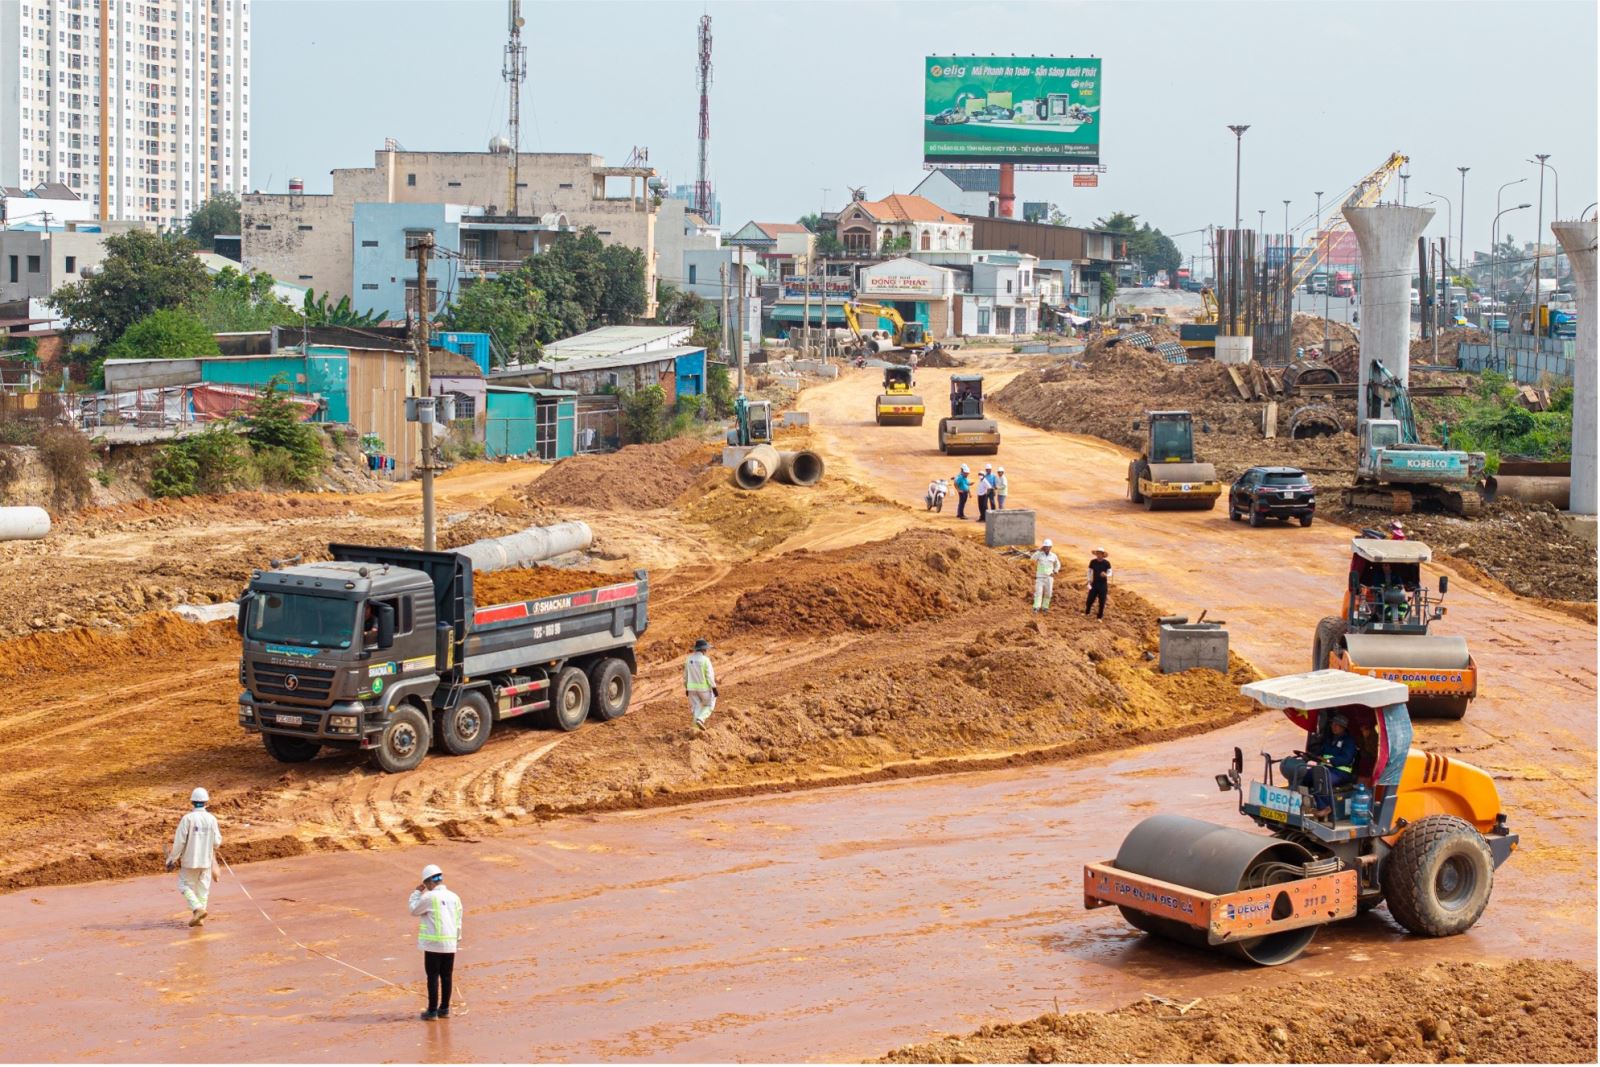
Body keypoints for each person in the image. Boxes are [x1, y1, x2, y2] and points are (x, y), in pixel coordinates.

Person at [409, 864, 464, 1021]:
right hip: (450, 944)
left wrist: (416, 893)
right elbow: (459, 919)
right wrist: (456, 939)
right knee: (447, 976)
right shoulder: (454, 897)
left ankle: (432, 1011)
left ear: (429, 882)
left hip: (433, 944)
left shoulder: (429, 897)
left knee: (432, 977)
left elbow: (414, 910)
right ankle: (444, 1009)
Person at [1281, 714, 1359, 818]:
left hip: (1341, 773)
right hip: (1327, 769)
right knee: (1306, 775)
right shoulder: (1330, 739)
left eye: (1336, 725)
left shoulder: (1348, 741)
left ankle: (1325, 807)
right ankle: (1303, 803)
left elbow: (1346, 759)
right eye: (1333, 724)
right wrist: (1309, 756)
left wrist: (1329, 760)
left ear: (1343, 727)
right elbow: (1320, 753)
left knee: (1321, 778)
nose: (1333, 727)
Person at [166, 786, 222, 927]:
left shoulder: (187, 819)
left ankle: (197, 909)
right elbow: (217, 842)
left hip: (189, 861)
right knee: (203, 890)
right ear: (206, 802)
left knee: (184, 885)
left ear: (192, 802)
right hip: (206, 862)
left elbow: (179, 842)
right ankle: (200, 919)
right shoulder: (212, 819)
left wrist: (172, 859)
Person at [685, 638, 718, 730]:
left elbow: (685, 676)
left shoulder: (688, 659)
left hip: (691, 689)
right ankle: (701, 719)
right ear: (704, 649)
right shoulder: (705, 660)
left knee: (696, 707)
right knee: (710, 704)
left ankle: (695, 730)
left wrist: (686, 688)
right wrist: (714, 688)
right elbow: (709, 676)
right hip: (704, 689)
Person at [1031, 538, 1062, 613]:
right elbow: (1032, 558)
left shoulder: (1053, 556)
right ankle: (1036, 607)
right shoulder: (1039, 554)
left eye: (1048, 547)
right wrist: (1039, 551)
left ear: (1050, 547)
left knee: (1048, 593)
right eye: (1045, 546)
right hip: (1040, 578)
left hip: (1049, 578)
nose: (1046, 548)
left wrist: (1055, 571)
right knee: (1038, 592)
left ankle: (1045, 607)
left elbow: (1058, 564)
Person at [1085, 548, 1112, 619]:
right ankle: (1087, 613)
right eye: (1097, 553)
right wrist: (1089, 580)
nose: (1098, 555)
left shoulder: (1106, 563)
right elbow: (1089, 571)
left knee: (1102, 601)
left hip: (1103, 585)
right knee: (1090, 599)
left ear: (1103, 555)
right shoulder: (1093, 562)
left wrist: (1106, 574)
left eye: (1100, 554)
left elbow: (1110, 572)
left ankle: (1099, 617)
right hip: (1094, 583)